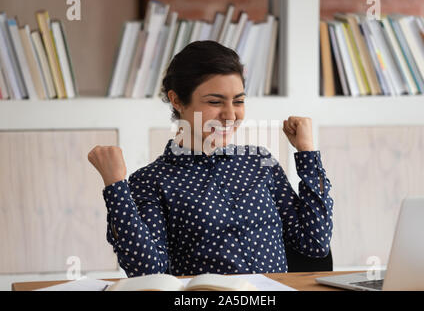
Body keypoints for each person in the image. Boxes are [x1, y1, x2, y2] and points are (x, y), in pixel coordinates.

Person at [88, 41, 334, 277]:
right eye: (215, 102)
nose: (230, 115)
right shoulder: (151, 180)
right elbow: (148, 271)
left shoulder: (261, 162)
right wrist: (115, 186)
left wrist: (307, 152)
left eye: (238, 101)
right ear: (177, 101)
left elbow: (314, 243)